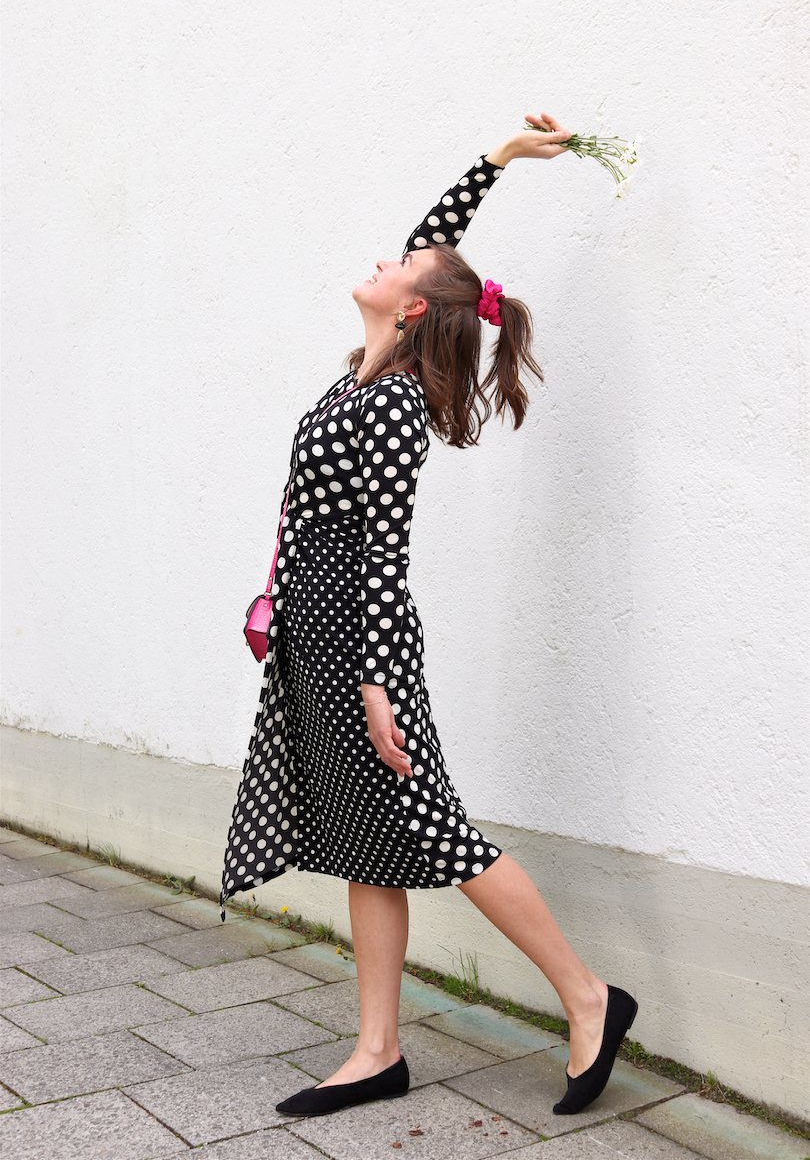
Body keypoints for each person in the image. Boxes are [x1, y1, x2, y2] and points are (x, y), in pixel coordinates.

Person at [219, 111, 638, 1119]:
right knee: (369, 835)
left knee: (435, 829)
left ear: (413, 311)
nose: (385, 259)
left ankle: (589, 998)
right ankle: (376, 1050)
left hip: (364, 644)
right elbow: (434, 246)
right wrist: (497, 160)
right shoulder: (356, 373)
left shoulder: (396, 403)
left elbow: (383, 552)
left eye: (402, 264)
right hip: (320, 634)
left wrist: (373, 682)